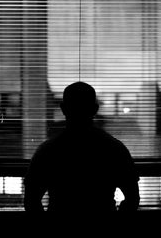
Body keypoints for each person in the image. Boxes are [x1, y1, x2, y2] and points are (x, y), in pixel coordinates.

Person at [24, 81, 140, 212]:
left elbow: (31, 200)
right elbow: (133, 198)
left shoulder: (47, 150)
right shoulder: (114, 148)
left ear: (63, 109)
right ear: (95, 109)